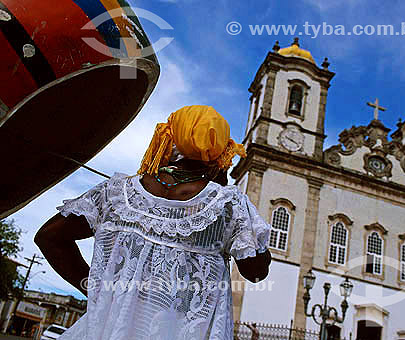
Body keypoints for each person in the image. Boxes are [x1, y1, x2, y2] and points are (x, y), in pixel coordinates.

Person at [34, 105, 272, 340]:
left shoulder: (117, 193)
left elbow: (50, 237)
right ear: (222, 151)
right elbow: (255, 273)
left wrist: (96, 290)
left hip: (107, 328)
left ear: (169, 138)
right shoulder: (228, 205)